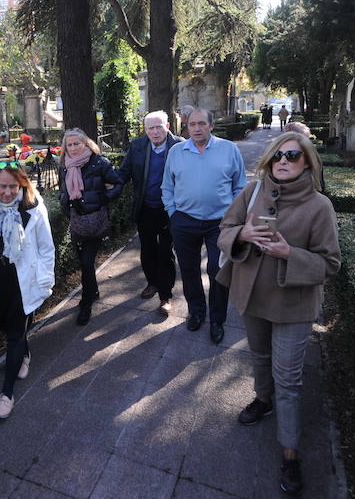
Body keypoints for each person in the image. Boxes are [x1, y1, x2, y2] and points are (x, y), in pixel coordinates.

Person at [216, 132, 340, 496]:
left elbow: (330, 264)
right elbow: (224, 229)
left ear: (307, 162)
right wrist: (243, 233)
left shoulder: (319, 206)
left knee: (289, 380)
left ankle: (289, 452)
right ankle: (262, 400)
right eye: (277, 157)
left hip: (292, 306)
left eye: (292, 156)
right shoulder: (253, 192)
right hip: (252, 296)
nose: (283, 162)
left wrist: (290, 254)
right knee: (259, 356)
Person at [0, 161, 55, 419]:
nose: (7, 192)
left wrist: (44, 279)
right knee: (6, 327)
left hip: (23, 282)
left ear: (22, 185)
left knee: (15, 334)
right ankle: (25, 354)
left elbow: (46, 248)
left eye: (13, 186)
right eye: (2, 186)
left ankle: (6, 393)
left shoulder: (33, 210)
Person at [162, 108, 246, 344]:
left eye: (201, 124)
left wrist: (234, 216)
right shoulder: (176, 152)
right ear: (186, 127)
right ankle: (196, 311)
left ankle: (217, 320)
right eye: (192, 125)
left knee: (218, 272)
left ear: (211, 125)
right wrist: (173, 213)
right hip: (184, 221)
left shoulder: (229, 149)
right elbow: (167, 186)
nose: (196, 128)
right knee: (188, 269)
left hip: (220, 222)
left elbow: (240, 186)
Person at [117, 111, 184, 315]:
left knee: (165, 251)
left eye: (158, 127)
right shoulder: (138, 146)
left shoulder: (180, 146)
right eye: (150, 128)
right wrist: (104, 185)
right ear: (145, 130)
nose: (155, 132)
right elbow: (123, 173)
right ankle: (152, 283)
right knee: (147, 249)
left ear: (168, 126)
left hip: (169, 209)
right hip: (145, 207)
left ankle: (165, 296)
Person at [59, 128, 124, 326]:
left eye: (76, 144)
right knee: (84, 263)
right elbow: (63, 189)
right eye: (69, 145)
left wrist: (102, 199)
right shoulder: (64, 165)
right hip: (77, 221)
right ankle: (93, 291)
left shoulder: (99, 162)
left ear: (86, 144)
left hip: (95, 221)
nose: (73, 148)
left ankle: (86, 302)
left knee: (87, 262)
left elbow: (118, 183)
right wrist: (65, 203)